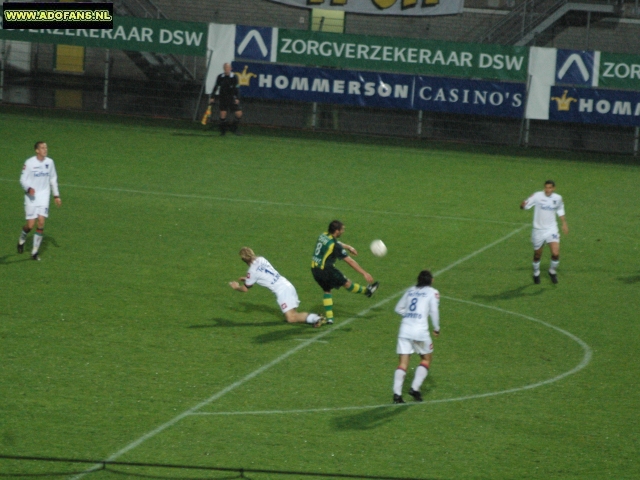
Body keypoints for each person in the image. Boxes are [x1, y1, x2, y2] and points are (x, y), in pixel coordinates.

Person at [230, 247, 327, 328]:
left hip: (282, 291)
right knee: (292, 314)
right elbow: (262, 274)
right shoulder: (261, 259)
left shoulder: (251, 271)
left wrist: (236, 287)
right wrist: (248, 279)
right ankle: (315, 318)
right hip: (287, 284)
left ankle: (317, 318)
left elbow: (245, 289)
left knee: (291, 318)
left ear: (243, 260)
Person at [311, 220, 379, 324]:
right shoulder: (335, 246)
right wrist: (364, 273)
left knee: (327, 290)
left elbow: (335, 242)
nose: (343, 231)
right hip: (327, 270)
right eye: (342, 229)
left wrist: (348, 247)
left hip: (315, 270)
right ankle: (367, 291)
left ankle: (330, 318)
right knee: (347, 283)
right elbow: (350, 261)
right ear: (337, 231)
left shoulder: (323, 235)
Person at [392, 270, 440, 404]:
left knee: (402, 363)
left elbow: (398, 308)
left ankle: (397, 395)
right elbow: (434, 311)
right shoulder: (432, 292)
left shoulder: (410, 290)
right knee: (426, 358)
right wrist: (436, 328)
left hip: (405, 329)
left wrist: (409, 316)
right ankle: (414, 388)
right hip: (420, 331)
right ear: (431, 280)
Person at [17, 141, 62, 261]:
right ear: (37, 150)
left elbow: (53, 178)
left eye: (46, 147)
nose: (45, 149)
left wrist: (56, 195)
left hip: (44, 196)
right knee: (30, 225)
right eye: (42, 148)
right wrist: (28, 188)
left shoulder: (50, 162)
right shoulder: (29, 163)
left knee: (41, 222)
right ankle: (22, 239)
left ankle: (34, 252)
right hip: (31, 196)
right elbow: (22, 179)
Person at [520, 180, 569, 284]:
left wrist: (564, 223)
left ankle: (552, 271)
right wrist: (522, 205)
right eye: (546, 188)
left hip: (551, 229)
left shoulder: (558, 198)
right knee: (537, 255)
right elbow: (525, 205)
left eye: (550, 188)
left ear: (553, 188)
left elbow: (560, 209)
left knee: (555, 253)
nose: (548, 190)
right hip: (538, 230)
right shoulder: (537, 196)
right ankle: (536, 272)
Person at [209, 62, 242, 136]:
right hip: (223, 97)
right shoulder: (220, 77)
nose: (227, 69)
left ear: (230, 68)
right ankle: (223, 131)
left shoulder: (234, 77)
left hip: (232, 97)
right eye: (225, 68)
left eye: (228, 68)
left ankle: (233, 128)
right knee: (223, 114)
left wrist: (237, 98)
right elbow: (216, 87)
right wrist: (212, 97)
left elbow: (237, 88)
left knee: (239, 113)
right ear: (224, 69)